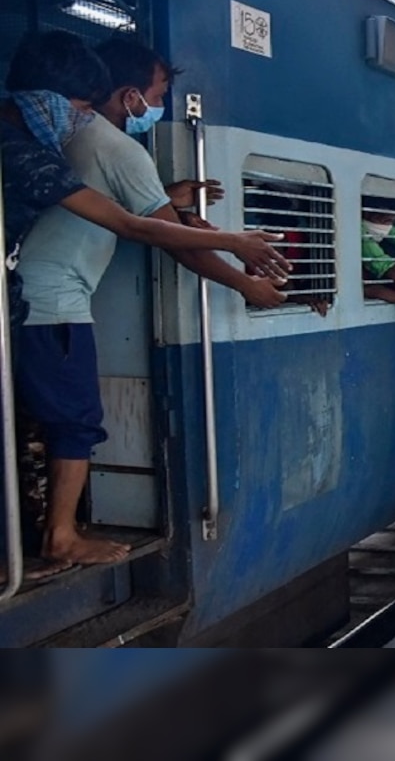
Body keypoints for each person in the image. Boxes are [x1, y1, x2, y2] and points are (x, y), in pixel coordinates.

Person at [1, 31, 291, 566]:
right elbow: (145, 229)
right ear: (127, 95)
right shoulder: (107, 147)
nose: (158, 108)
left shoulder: (61, 141)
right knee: (75, 419)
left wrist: (179, 209)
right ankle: (60, 537)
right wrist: (241, 266)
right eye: (157, 97)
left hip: (29, 299)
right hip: (51, 302)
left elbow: (149, 215)